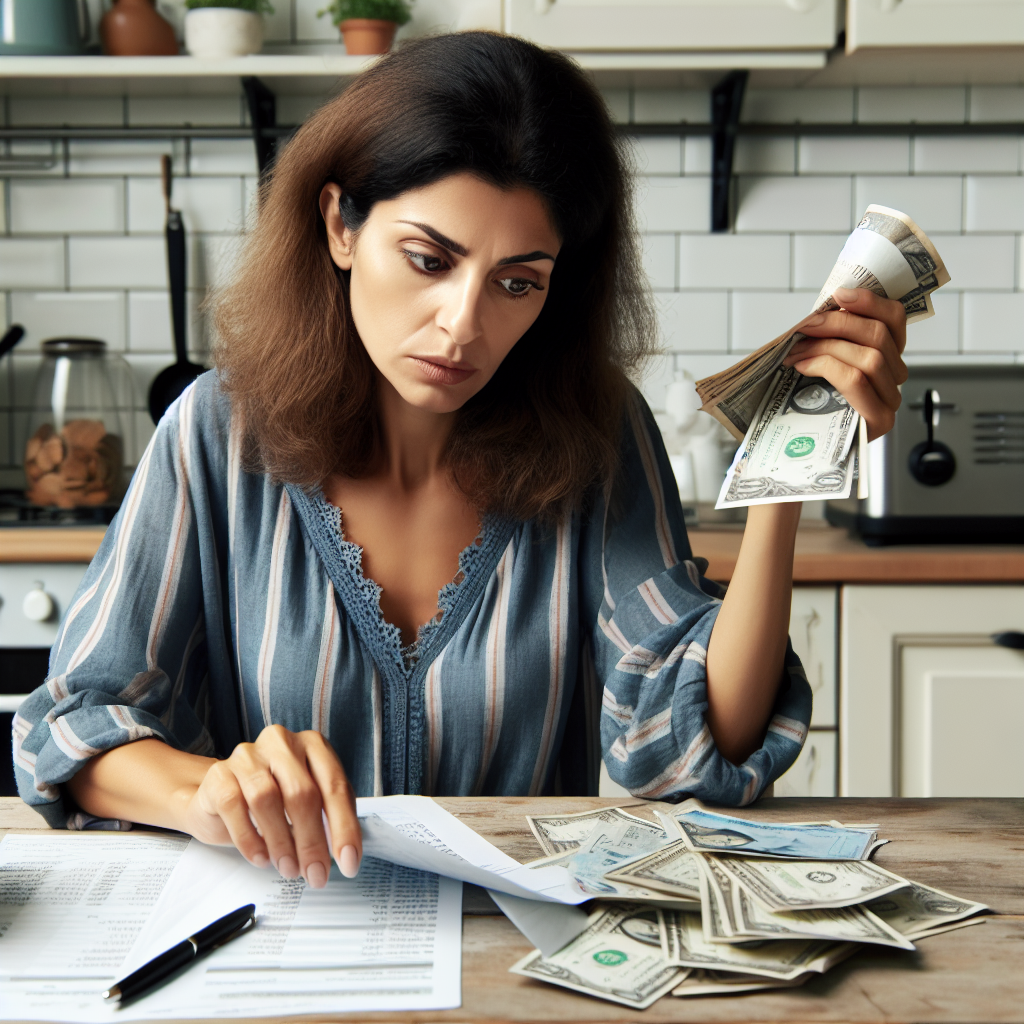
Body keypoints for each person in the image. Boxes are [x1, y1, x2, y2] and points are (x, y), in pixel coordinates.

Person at [13, 33, 907, 891]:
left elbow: (689, 758)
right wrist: (207, 791)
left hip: (514, 961)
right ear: (339, 226)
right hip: (267, 943)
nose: (463, 325)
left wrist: (788, 474)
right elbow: (69, 727)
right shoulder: (213, 433)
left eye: (518, 281)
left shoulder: (601, 439)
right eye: (428, 259)